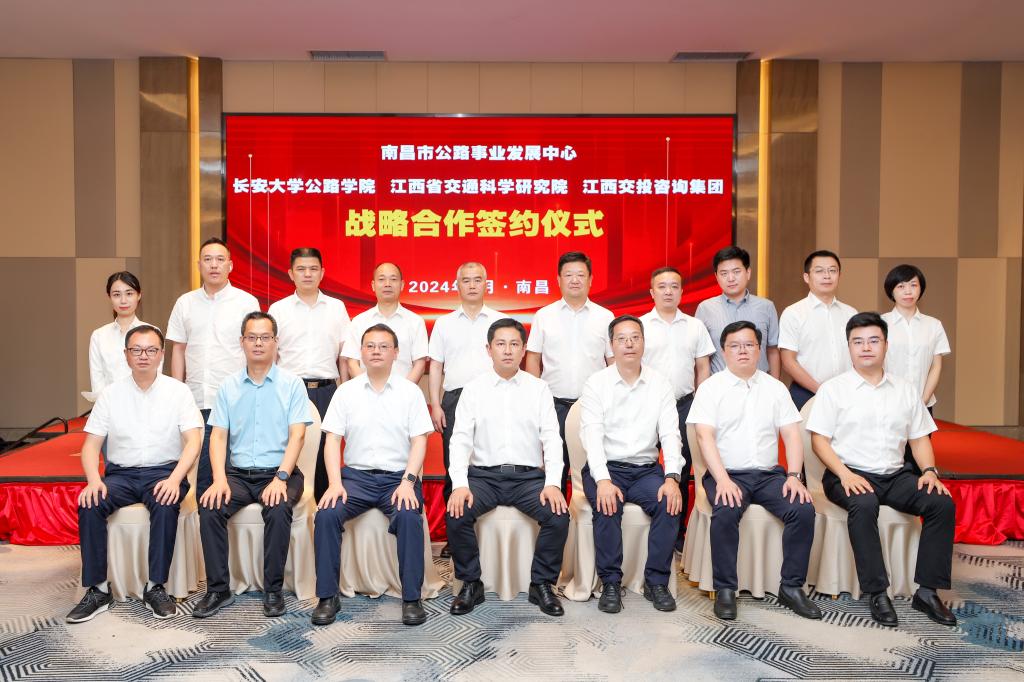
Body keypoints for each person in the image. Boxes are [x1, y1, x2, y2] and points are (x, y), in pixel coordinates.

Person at [807, 312, 957, 627]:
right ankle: (877, 592)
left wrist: (929, 470)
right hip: (847, 473)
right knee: (864, 504)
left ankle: (927, 592)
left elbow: (919, 438)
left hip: (896, 475)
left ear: (886, 345)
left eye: (873, 341)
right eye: (858, 342)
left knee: (941, 503)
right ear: (849, 347)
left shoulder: (905, 389)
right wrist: (845, 474)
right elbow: (819, 440)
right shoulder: (833, 390)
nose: (866, 348)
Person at [67, 325, 203, 623]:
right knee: (90, 502)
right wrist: (94, 481)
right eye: (136, 350)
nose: (144, 356)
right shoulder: (110, 394)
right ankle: (98, 589)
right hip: (121, 476)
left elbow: (194, 441)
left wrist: (175, 479)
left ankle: (155, 587)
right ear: (126, 355)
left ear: (161, 354)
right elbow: (90, 446)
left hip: (164, 472)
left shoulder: (178, 392)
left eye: (151, 350)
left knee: (165, 502)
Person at [687, 321, 820, 621]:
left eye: (749, 344)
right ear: (724, 351)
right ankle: (725, 588)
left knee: (802, 509)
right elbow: (704, 437)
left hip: (769, 475)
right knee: (726, 510)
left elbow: (792, 435)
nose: (742, 351)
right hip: (727, 473)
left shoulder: (775, 388)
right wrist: (722, 480)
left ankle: (791, 587)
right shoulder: (711, 388)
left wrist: (794, 476)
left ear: (759, 349)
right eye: (735, 346)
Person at [311, 324, 434, 626]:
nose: (376, 351)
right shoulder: (346, 392)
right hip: (356, 479)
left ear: (396, 353)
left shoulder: (410, 392)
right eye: (370, 346)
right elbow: (331, 441)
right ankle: (327, 596)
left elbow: (420, 441)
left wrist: (408, 482)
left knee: (408, 516)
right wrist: (334, 483)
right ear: (361, 352)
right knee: (326, 514)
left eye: (383, 346)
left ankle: (411, 598)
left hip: (398, 479)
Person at [446, 318, 569, 617]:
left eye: (514, 344)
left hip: (528, 479)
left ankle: (541, 584)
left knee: (558, 515)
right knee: (456, 511)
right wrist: (460, 484)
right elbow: (459, 440)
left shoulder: (538, 389)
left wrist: (553, 483)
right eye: (500, 344)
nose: (508, 350)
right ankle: (471, 583)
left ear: (524, 349)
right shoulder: (473, 389)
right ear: (488, 349)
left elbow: (552, 438)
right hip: (483, 477)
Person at [194, 312, 312, 619]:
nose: (258, 343)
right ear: (242, 342)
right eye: (252, 337)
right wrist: (219, 479)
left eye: (265, 337)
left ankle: (273, 590)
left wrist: (281, 478)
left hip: (281, 472)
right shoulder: (228, 386)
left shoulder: (292, 385)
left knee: (278, 507)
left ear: (275, 342)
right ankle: (218, 589)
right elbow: (218, 436)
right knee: (209, 505)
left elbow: (298, 435)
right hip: (238, 475)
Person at [580, 315, 682, 614]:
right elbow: (592, 436)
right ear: (611, 345)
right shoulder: (596, 383)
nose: (629, 344)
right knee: (607, 504)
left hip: (645, 471)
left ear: (643, 343)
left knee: (669, 502)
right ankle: (611, 582)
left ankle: (656, 582)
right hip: (606, 468)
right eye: (622, 338)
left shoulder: (660, 383)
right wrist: (602, 480)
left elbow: (670, 434)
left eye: (635, 337)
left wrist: (672, 477)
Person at [167, 237, 260, 499]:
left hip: (237, 400)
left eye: (220, 259)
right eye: (208, 260)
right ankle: (202, 522)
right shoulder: (185, 303)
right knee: (201, 474)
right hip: (196, 400)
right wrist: (178, 392)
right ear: (199, 265)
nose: (214, 265)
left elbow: (256, 350)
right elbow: (178, 350)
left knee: (233, 471)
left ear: (231, 265)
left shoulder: (246, 302)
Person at [428, 261, 506, 559]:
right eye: (466, 280)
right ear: (457, 285)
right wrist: (436, 404)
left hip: (494, 397)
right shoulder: (444, 323)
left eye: (477, 280)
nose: (472, 285)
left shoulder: (500, 321)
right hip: (455, 399)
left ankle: (489, 533)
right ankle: (455, 536)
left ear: (487, 284)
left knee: (491, 463)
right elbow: (436, 366)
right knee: (455, 467)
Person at [526, 251, 614, 493]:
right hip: (554, 404)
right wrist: (534, 398)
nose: (575, 280)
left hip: (593, 405)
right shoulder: (544, 316)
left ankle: (590, 512)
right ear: (558, 280)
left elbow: (612, 361)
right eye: (568, 275)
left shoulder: (605, 317)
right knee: (555, 467)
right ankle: (557, 513)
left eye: (580, 275)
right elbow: (533, 358)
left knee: (594, 463)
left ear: (590, 279)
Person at [640, 266, 715, 547]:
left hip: (684, 405)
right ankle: (649, 529)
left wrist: (699, 404)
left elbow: (702, 368)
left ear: (682, 291)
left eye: (674, 286)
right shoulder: (640, 326)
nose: (668, 291)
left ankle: (677, 535)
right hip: (647, 406)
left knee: (680, 470)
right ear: (652, 292)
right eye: (662, 286)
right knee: (646, 466)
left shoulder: (695, 326)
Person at [268, 247, 351, 501]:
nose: (307, 274)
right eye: (301, 269)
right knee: (288, 448)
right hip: (289, 391)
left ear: (322, 273)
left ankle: (325, 511)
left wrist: (345, 390)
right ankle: (287, 507)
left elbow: (344, 356)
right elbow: (271, 356)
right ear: (290, 273)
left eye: (313, 269)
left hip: (327, 391)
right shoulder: (278, 309)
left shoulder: (336, 308)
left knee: (326, 451)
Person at [880, 264, 951, 472]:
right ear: (891, 291)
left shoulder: (934, 325)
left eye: (913, 285)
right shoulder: (881, 323)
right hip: (887, 401)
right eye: (901, 286)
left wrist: (923, 400)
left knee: (919, 458)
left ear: (921, 289)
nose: (908, 291)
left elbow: (936, 366)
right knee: (889, 457)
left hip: (923, 401)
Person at [779, 250, 857, 410]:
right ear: (806, 277)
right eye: (819, 271)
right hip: (806, 393)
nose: (827, 276)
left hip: (847, 393)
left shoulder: (851, 313)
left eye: (832, 270)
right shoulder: (793, 313)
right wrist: (821, 390)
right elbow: (788, 361)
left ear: (839, 275)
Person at [695, 246, 781, 379]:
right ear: (716, 276)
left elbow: (772, 351)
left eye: (736, 272)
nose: (730, 278)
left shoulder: (766, 307)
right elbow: (701, 357)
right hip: (720, 386)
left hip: (758, 385)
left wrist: (775, 385)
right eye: (724, 273)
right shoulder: (705, 309)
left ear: (748, 272)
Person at [342, 262, 428, 383]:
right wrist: (367, 389)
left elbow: (419, 365)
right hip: (366, 392)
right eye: (381, 279)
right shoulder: (359, 321)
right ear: (373, 285)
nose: (387, 284)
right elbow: (352, 363)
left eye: (393, 279)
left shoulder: (415, 321)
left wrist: (404, 391)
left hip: (403, 392)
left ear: (402, 285)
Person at [86, 271, 160, 401]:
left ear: (139, 295)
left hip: (145, 404)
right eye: (117, 294)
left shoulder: (152, 333)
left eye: (129, 293)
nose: (123, 300)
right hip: (109, 407)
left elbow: (156, 377)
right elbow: (97, 382)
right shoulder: (99, 336)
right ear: (109, 297)